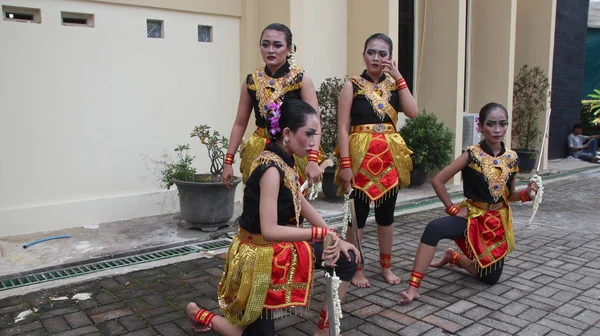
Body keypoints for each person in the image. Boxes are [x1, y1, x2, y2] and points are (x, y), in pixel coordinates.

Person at [187, 99, 360, 336]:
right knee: (249, 333)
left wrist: (336, 238)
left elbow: (299, 201)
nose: (312, 143)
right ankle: (198, 313)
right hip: (260, 256)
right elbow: (269, 230)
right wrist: (320, 234)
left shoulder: (286, 160)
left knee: (347, 259)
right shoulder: (270, 168)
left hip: (280, 248)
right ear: (287, 133)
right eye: (308, 134)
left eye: (315, 135)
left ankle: (324, 331)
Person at [398, 102, 540, 305]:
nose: (497, 130)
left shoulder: (512, 159)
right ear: (480, 126)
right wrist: (453, 209)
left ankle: (454, 258)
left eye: (502, 124)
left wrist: (528, 193)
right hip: (471, 217)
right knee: (433, 228)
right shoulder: (471, 155)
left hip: (496, 225)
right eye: (491, 124)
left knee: (489, 279)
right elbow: (438, 181)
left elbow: (508, 196)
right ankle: (413, 289)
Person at [336, 33, 417, 287]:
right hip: (360, 162)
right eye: (371, 52)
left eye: (383, 54)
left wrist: (400, 77)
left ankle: (386, 267)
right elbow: (342, 127)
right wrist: (346, 164)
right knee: (357, 219)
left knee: (386, 217)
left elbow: (413, 112)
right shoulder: (352, 85)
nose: (376, 58)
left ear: (390, 58)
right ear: (363, 55)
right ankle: (356, 268)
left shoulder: (394, 87)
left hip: (388, 162)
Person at [221, 23, 324, 187]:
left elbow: (315, 124)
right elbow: (240, 123)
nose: (270, 50)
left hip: (292, 147)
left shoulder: (301, 80)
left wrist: (313, 160)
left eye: (277, 45)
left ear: (289, 49)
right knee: (257, 201)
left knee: (291, 204)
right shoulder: (251, 81)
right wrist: (228, 161)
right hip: (259, 149)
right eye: (265, 44)